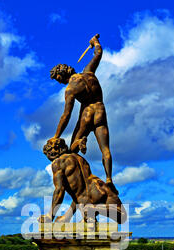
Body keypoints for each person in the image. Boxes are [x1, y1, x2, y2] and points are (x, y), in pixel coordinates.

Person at [49, 34, 118, 194]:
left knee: (72, 152)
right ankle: (109, 179)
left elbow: (66, 115)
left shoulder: (70, 89)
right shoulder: (89, 73)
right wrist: (95, 42)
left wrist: (56, 135)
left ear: (61, 74)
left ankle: (80, 144)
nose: (58, 81)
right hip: (100, 110)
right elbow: (98, 53)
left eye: (57, 78)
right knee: (105, 149)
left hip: (87, 113)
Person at [39, 138, 126, 224]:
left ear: (53, 152)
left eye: (48, 153)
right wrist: (67, 217)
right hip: (99, 185)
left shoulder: (58, 162)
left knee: (84, 202)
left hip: (86, 198)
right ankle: (94, 210)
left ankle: (91, 210)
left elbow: (59, 191)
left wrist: (50, 216)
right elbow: (78, 193)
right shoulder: (78, 157)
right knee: (122, 217)